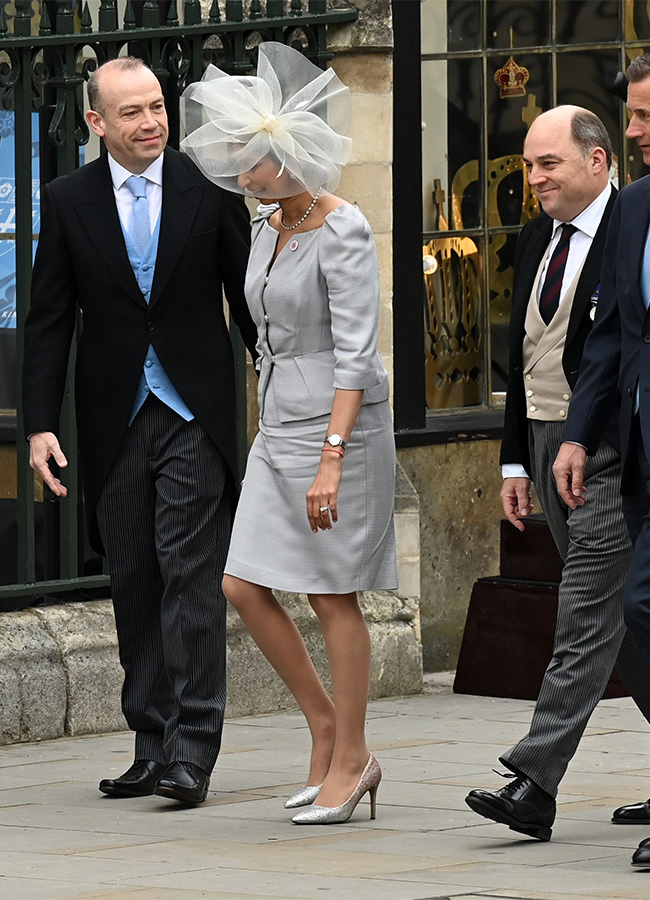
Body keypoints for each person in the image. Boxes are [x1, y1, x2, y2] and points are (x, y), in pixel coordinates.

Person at [23, 57, 258, 805]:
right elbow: (49, 320)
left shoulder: (209, 187)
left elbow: (246, 296)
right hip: (114, 414)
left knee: (190, 579)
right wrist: (36, 428)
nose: (151, 122)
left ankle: (193, 751)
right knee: (134, 581)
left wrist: (279, 381)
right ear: (97, 123)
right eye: (132, 112)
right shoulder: (67, 200)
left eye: (157, 107)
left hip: (196, 412)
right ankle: (150, 743)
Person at [181, 42, 398, 825]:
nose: (241, 175)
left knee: (332, 593)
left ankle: (353, 758)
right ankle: (325, 726)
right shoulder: (271, 225)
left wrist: (332, 462)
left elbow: (356, 356)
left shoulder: (341, 230)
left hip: (338, 430)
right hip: (279, 424)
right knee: (242, 581)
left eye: (253, 164)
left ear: (291, 158)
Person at [465, 105, 650, 842]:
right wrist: (516, 459)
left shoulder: (629, 222)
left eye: (549, 165)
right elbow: (522, 356)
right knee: (627, 631)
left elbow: (612, 349)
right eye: (529, 165)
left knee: (584, 617)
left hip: (610, 449)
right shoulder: (539, 234)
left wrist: (583, 438)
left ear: (597, 162)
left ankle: (533, 780)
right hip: (549, 449)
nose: (533, 179)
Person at [554, 53, 650, 869]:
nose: (636, 134)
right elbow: (613, 334)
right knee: (642, 610)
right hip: (642, 453)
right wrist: (580, 434)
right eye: (633, 117)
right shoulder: (638, 209)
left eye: (649, 116)